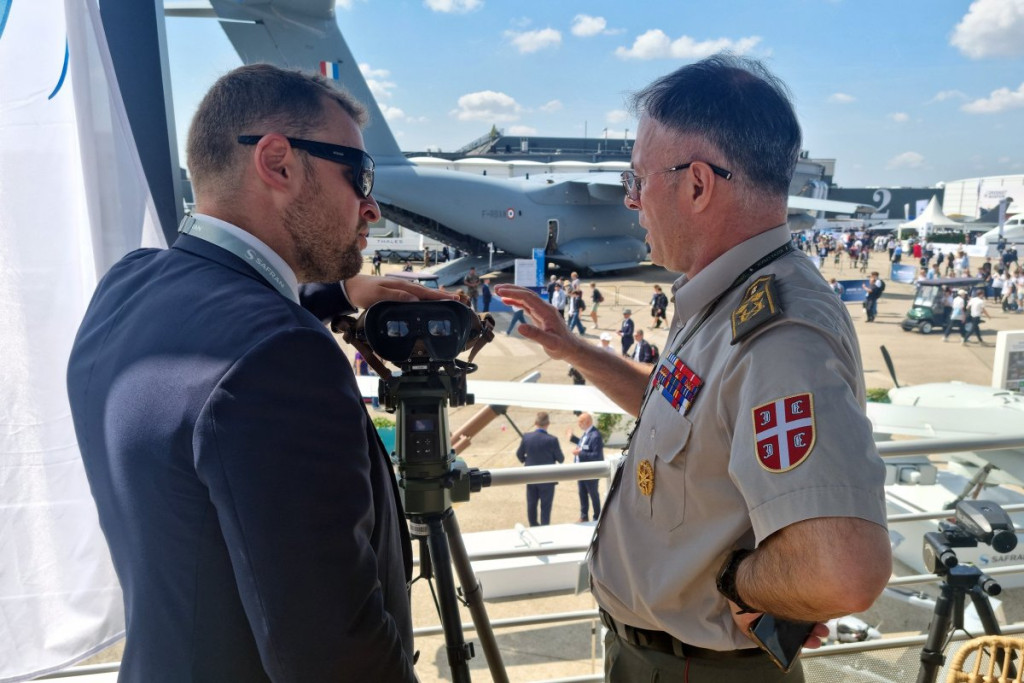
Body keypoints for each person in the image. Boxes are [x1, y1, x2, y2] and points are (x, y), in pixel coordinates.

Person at [495, 55, 889, 681]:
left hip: (694, 669)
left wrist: (743, 581)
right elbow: (687, 416)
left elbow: (842, 573)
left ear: (698, 185)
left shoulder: (779, 334)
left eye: (637, 180)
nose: (633, 202)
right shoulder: (728, 298)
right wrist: (573, 349)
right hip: (662, 658)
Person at [64, 65, 454, 681]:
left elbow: (224, 322)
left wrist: (337, 293)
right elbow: (335, 657)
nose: (371, 208)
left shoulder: (129, 285)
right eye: (359, 175)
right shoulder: (282, 356)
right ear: (277, 163)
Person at [515, 412, 564, 526]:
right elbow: (561, 459)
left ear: (535, 423)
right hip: (548, 478)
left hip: (531, 476)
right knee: (546, 507)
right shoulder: (552, 440)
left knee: (531, 504)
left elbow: (519, 454)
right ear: (548, 423)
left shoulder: (526, 437)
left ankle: (533, 525)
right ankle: (544, 528)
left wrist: (526, 460)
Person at [567, 412, 605, 522]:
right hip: (581, 471)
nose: (578, 424)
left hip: (591, 472)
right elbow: (583, 445)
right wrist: (572, 438)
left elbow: (597, 456)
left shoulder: (595, 436)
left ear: (587, 422)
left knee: (593, 495)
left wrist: (580, 454)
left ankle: (597, 517)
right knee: (582, 494)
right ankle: (584, 516)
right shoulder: (586, 434)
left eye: (580, 422)